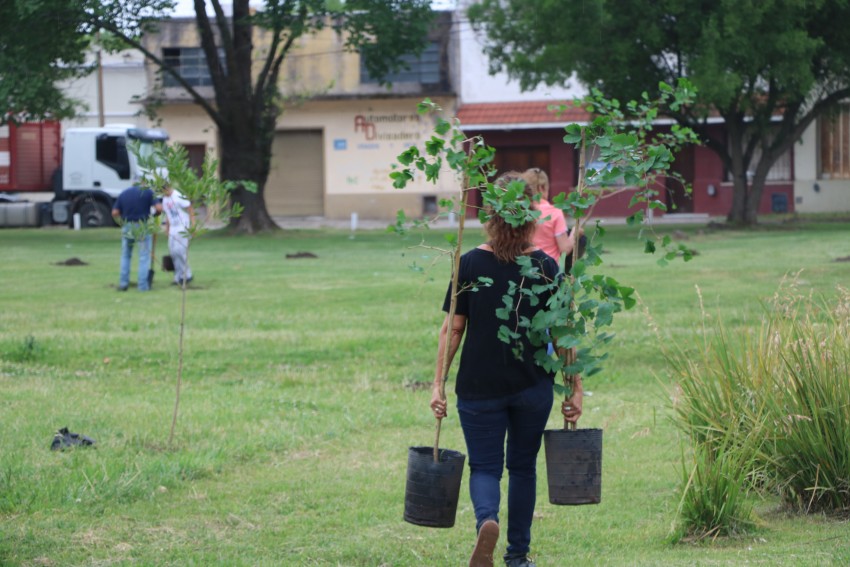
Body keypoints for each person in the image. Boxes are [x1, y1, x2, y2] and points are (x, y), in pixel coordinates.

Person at [430, 172, 583, 567]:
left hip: (479, 387)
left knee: (484, 466)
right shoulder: (547, 267)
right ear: (532, 213)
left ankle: (487, 520)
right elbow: (563, 332)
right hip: (532, 387)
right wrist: (574, 388)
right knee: (522, 468)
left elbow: (454, 328)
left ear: (490, 214)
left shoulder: (468, 263)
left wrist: (438, 385)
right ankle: (517, 556)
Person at [523, 168, 582, 267]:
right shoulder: (554, 212)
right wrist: (575, 233)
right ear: (542, 187)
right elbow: (565, 249)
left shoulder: (519, 211)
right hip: (549, 271)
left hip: (524, 269)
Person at [111, 183, 162, 291]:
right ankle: (142, 286)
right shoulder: (148, 192)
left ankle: (123, 283)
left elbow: (115, 212)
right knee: (144, 257)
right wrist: (155, 215)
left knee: (126, 255)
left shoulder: (124, 193)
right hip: (142, 226)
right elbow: (159, 208)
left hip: (127, 226)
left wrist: (122, 222)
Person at [161, 184, 195, 287]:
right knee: (173, 252)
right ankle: (178, 275)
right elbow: (168, 214)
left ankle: (187, 275)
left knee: (180, 251)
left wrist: (193, 226)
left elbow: (190, 209)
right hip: (173, 227)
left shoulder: (178, 196)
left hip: (182, 225)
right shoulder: (165, 199)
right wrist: (167, 229)